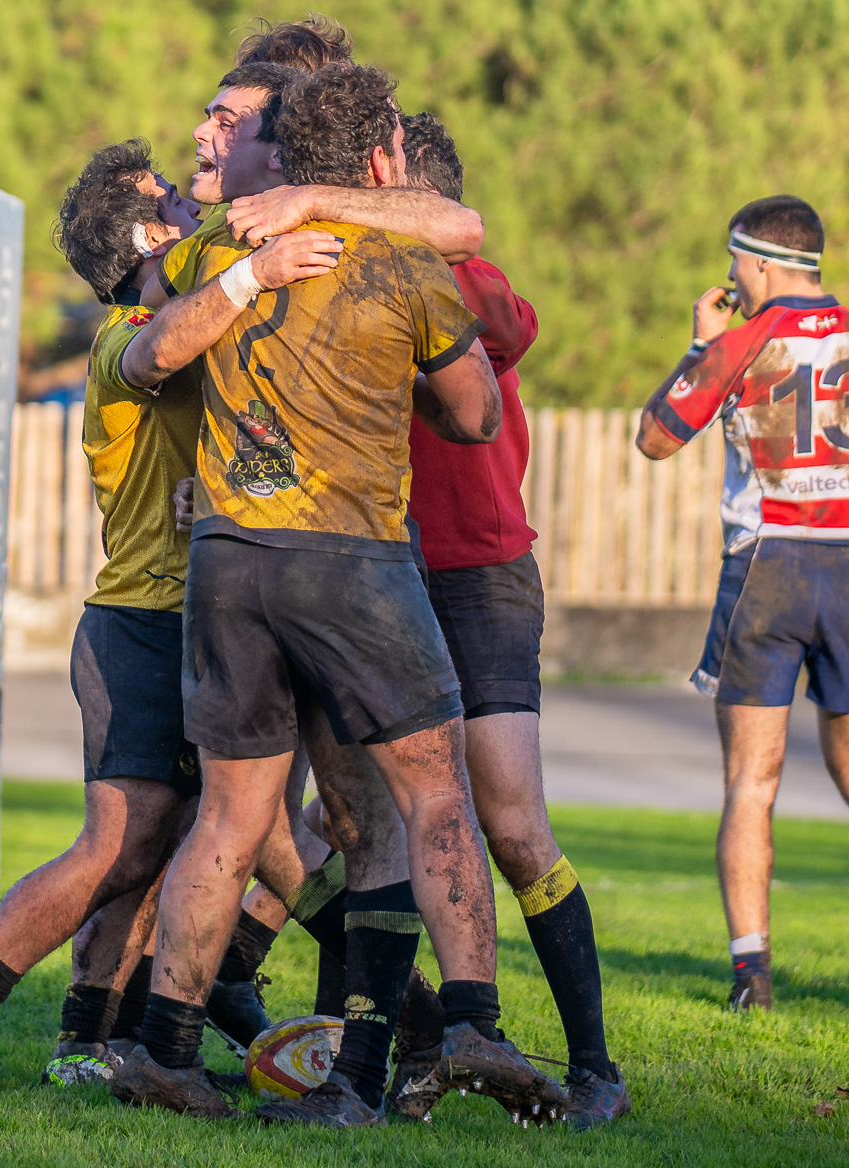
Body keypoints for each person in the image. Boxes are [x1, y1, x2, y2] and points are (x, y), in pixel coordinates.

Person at [107, 61, 565, 1127]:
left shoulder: (218, 250)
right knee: (428, 797)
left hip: (227, 564)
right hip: (351, 561)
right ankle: (468, 1025)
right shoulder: (399, 262)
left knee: (232, 814)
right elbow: (471, 416)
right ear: (383, 159)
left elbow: (141, 356)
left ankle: (164, 1050)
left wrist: (246, 281)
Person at [0, 140, 346, 1082]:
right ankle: (406, 1005)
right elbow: (168, 350)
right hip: (143, 625)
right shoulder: (124, 342)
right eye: (176, 200)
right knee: (152, 842)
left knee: (159, 846)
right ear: (150, 234)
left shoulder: (193, 310)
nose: (196, 203)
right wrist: (257, 265)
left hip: (191, 618)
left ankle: (80, 1038)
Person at [634, 195, 849, 1023]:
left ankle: (752, 978)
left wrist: (700, 343)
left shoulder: (741, 342)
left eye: (735, 264)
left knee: (751, 784)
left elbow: (654, 437)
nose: (730, 279)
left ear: (761, 263)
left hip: (769, 567)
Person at [361, 112, 629, 1131]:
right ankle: (403, 1049)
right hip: (374, 571)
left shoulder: (466, 280)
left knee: (512, 823)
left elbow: (512, 325)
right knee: (357, 830)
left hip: (480, 572)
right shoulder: (345, 272)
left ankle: (595, 1066)